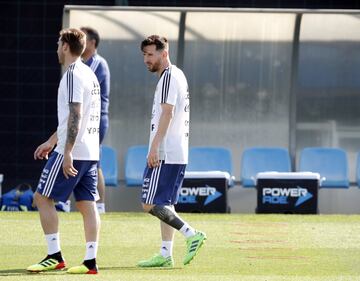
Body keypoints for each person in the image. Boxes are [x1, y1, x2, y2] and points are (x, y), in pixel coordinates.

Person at [27, 28, 101, 274]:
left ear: (66, 47)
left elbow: (76, 115)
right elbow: (72, 117)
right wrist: (51, 141)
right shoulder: (89, 73)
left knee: (41, 198)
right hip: (90, 152)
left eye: (59, 43)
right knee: (87, 205)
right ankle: (91, 262)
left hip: (73, 151)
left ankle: (54, 255)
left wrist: (65, 151)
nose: (57, 48)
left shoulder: (71, 74)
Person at [137, 35, 206, 268]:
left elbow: (167, 113)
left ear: (164, 54)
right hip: (177, 152)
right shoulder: (178, 74)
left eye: (150, 54)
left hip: (165, 153)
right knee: (165, 204)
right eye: (144, 55)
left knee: (149, 203)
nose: (146, 59)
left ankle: (191, 234)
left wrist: (155, 147)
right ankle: (166, 255)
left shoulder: (168, 77)